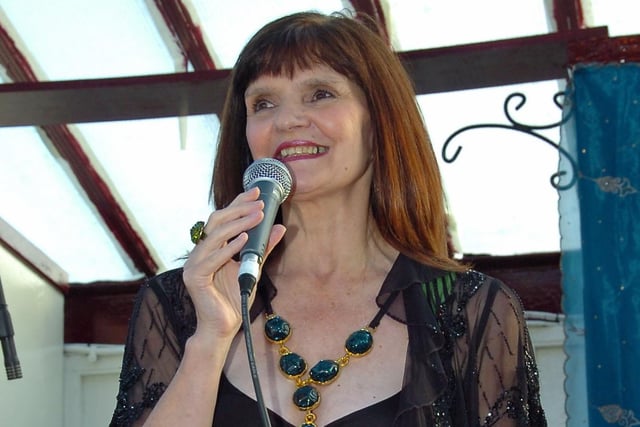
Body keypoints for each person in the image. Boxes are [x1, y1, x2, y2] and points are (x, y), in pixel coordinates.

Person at [110, 10, 547, 427]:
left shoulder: (470, 309)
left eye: (321, 94)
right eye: (263, 103)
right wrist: (209, 339)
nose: (287, 120)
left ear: (379, 125)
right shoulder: (176, 305)